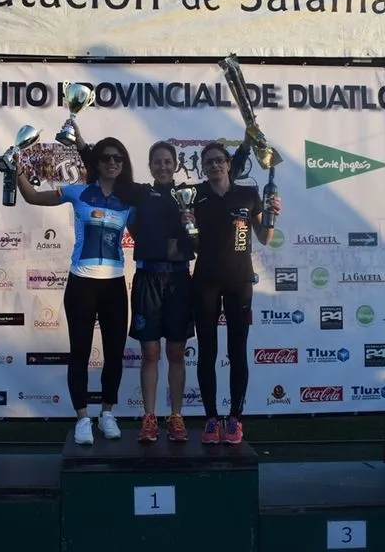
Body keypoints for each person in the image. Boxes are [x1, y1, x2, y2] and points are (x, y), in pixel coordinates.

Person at [72, 122, 252, 443]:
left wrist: (247, 144)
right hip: (147, 278)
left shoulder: (192, 193)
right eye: (157, 162)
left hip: (180, 279)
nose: (163, 166)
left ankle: (176, 417)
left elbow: (226, 173)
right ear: (150, 166)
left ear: (176, 164)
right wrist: (82, 145)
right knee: (151, 352)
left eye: (168, 162)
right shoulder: (140, 192)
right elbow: (106, 170)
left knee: (177, 352)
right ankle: (149, 418)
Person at [16, 136, 136, 445]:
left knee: (114, 354)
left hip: (114, 283)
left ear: (123, 164)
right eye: (107, 157)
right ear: (97, 162)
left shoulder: (130, 199)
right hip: (82, 282)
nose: (112, 162)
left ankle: (107, 413)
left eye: (118, 158)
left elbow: (147, 234)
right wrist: (16, 172)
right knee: (80, 352)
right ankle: (83, 418)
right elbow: (32, 197)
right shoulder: (78, 191)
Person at [181, 141, 281, 445]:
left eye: (219, 160)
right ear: (203, 167)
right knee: (207, 352)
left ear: (228, 164)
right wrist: (188, 226)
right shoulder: (195, 195)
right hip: (205, 282)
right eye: (208, 162)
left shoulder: (248, 195)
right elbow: (192, 241)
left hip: (239, 282)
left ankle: (235, 418)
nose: (214, 165)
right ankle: (211, 419)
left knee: (237, 351)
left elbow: (264, 237)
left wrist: (272, 215)